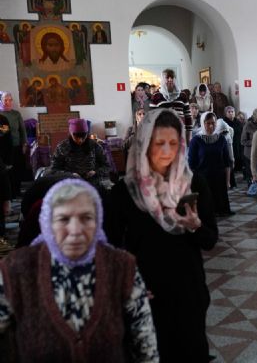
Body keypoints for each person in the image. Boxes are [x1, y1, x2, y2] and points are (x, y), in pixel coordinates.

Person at [0, 178, 159, 362]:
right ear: (47, 223)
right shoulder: (16, 270)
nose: (75, 230)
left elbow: (146, 347)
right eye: (63, 219)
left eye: (86, 218)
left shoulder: (122, 266)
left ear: (98, 221)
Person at [108, 109, 218, 362]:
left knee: (192, 351)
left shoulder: (194, 184)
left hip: (188, 288)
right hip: (146, 291)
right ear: (145, 144)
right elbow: (110, 247)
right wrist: (127, 284)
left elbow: (210, 240)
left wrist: (196, 226)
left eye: (173, 143)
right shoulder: (125, 192)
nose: (167, 151)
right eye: (159, 143)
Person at [188, 112, 234, 216]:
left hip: (219, 177)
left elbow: (226, 162)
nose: (211, 126)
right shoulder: (196, 140)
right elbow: (191, 164)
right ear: (202, 123)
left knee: (220, 208)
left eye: (213, 123)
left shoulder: (221, 139)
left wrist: (227, 181)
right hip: (202, 178)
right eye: (208, 123)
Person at [50, 118, 111, 190]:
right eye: (76, 137)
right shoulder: (62, 147)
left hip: (92, 184)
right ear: (70, 133)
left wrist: (95, 172)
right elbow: (54, 170)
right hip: (70, 185)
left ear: (87, 134)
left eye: (83, 136)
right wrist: (70, 175)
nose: (80, 140)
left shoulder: (94, 146)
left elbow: (107, 166)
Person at [150, 69, 193, 143]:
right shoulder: (156, 95)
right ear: (163, 80)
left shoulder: (182, 94)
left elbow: (188, 115)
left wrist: (189, 134)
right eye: (167, 78)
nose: (170, 80)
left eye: (172, 77)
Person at [0, 91, 28, 199]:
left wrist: (24, 143)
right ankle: (8, 193)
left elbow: (22, 130)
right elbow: (2, 133)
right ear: (1, 101)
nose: (7, 102)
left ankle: (17, 191)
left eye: (9, 100)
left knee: (17, 169)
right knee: (7, 171)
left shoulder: (16, 114)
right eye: (5, 100)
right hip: (4, 148)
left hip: (17, 146)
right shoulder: (1, 115)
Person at [241, 108, 257, 186]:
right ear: (255, 117)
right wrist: (255, 142)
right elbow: (243, 141)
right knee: (251, 174)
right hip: (249, 154)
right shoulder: (247, 125)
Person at [223, 105, 244, 179]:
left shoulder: (238, 122)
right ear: (226, 113)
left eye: (232, 112)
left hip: (238, 142)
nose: (231, 113)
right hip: (228, 143)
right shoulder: (224, 123)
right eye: (229, 112)